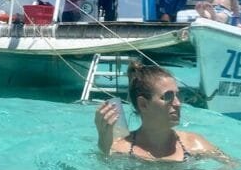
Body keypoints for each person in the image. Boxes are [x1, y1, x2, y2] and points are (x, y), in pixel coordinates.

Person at [94, 60, 233, 163]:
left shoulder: (194, 143)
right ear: (143, 104)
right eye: (168, 97)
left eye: (178, 95)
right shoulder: (121, 149)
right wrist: (103, 142)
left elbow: (233, 166)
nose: (178, 103)